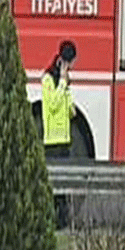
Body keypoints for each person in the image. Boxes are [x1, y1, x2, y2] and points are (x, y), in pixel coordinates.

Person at [42, 40, 78, 225]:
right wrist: (62, 84)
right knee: (52, 187)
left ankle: (62, 221)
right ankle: (50, 220)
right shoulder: (47, 79)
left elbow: (69, 110)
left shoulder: (65, 81)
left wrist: (69, 97)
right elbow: (53, 105)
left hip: (64, 139)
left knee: (63, 188)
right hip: (52, 141)